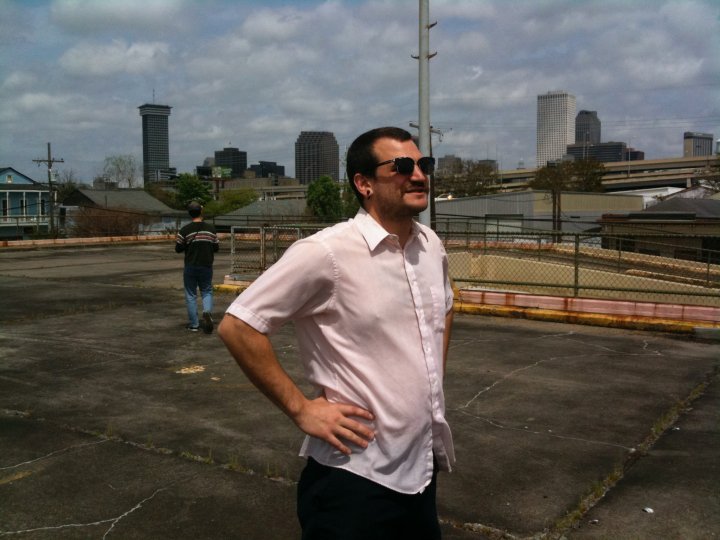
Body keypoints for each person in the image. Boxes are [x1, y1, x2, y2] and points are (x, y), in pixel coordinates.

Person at [218, 127, 455, 539]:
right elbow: (239, 325)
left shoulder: (430, 246)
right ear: (364, 184)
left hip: (420, 469)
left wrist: (429, 375)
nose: (418, 175)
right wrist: (301, 409)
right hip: (355, 479)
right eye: (402, 166)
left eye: (424, 164)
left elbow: (446, 307)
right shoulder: (326, 253)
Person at [175, 201, 219, 333]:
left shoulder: (185, 230)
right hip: (206, 265)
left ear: (190, 213)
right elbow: (216, 248)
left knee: (191, 294)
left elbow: (178, 248)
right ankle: (207, 312)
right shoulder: (211, 229)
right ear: (201, 211)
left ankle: (194, 324)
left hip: (191, 266)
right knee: (207, 291)